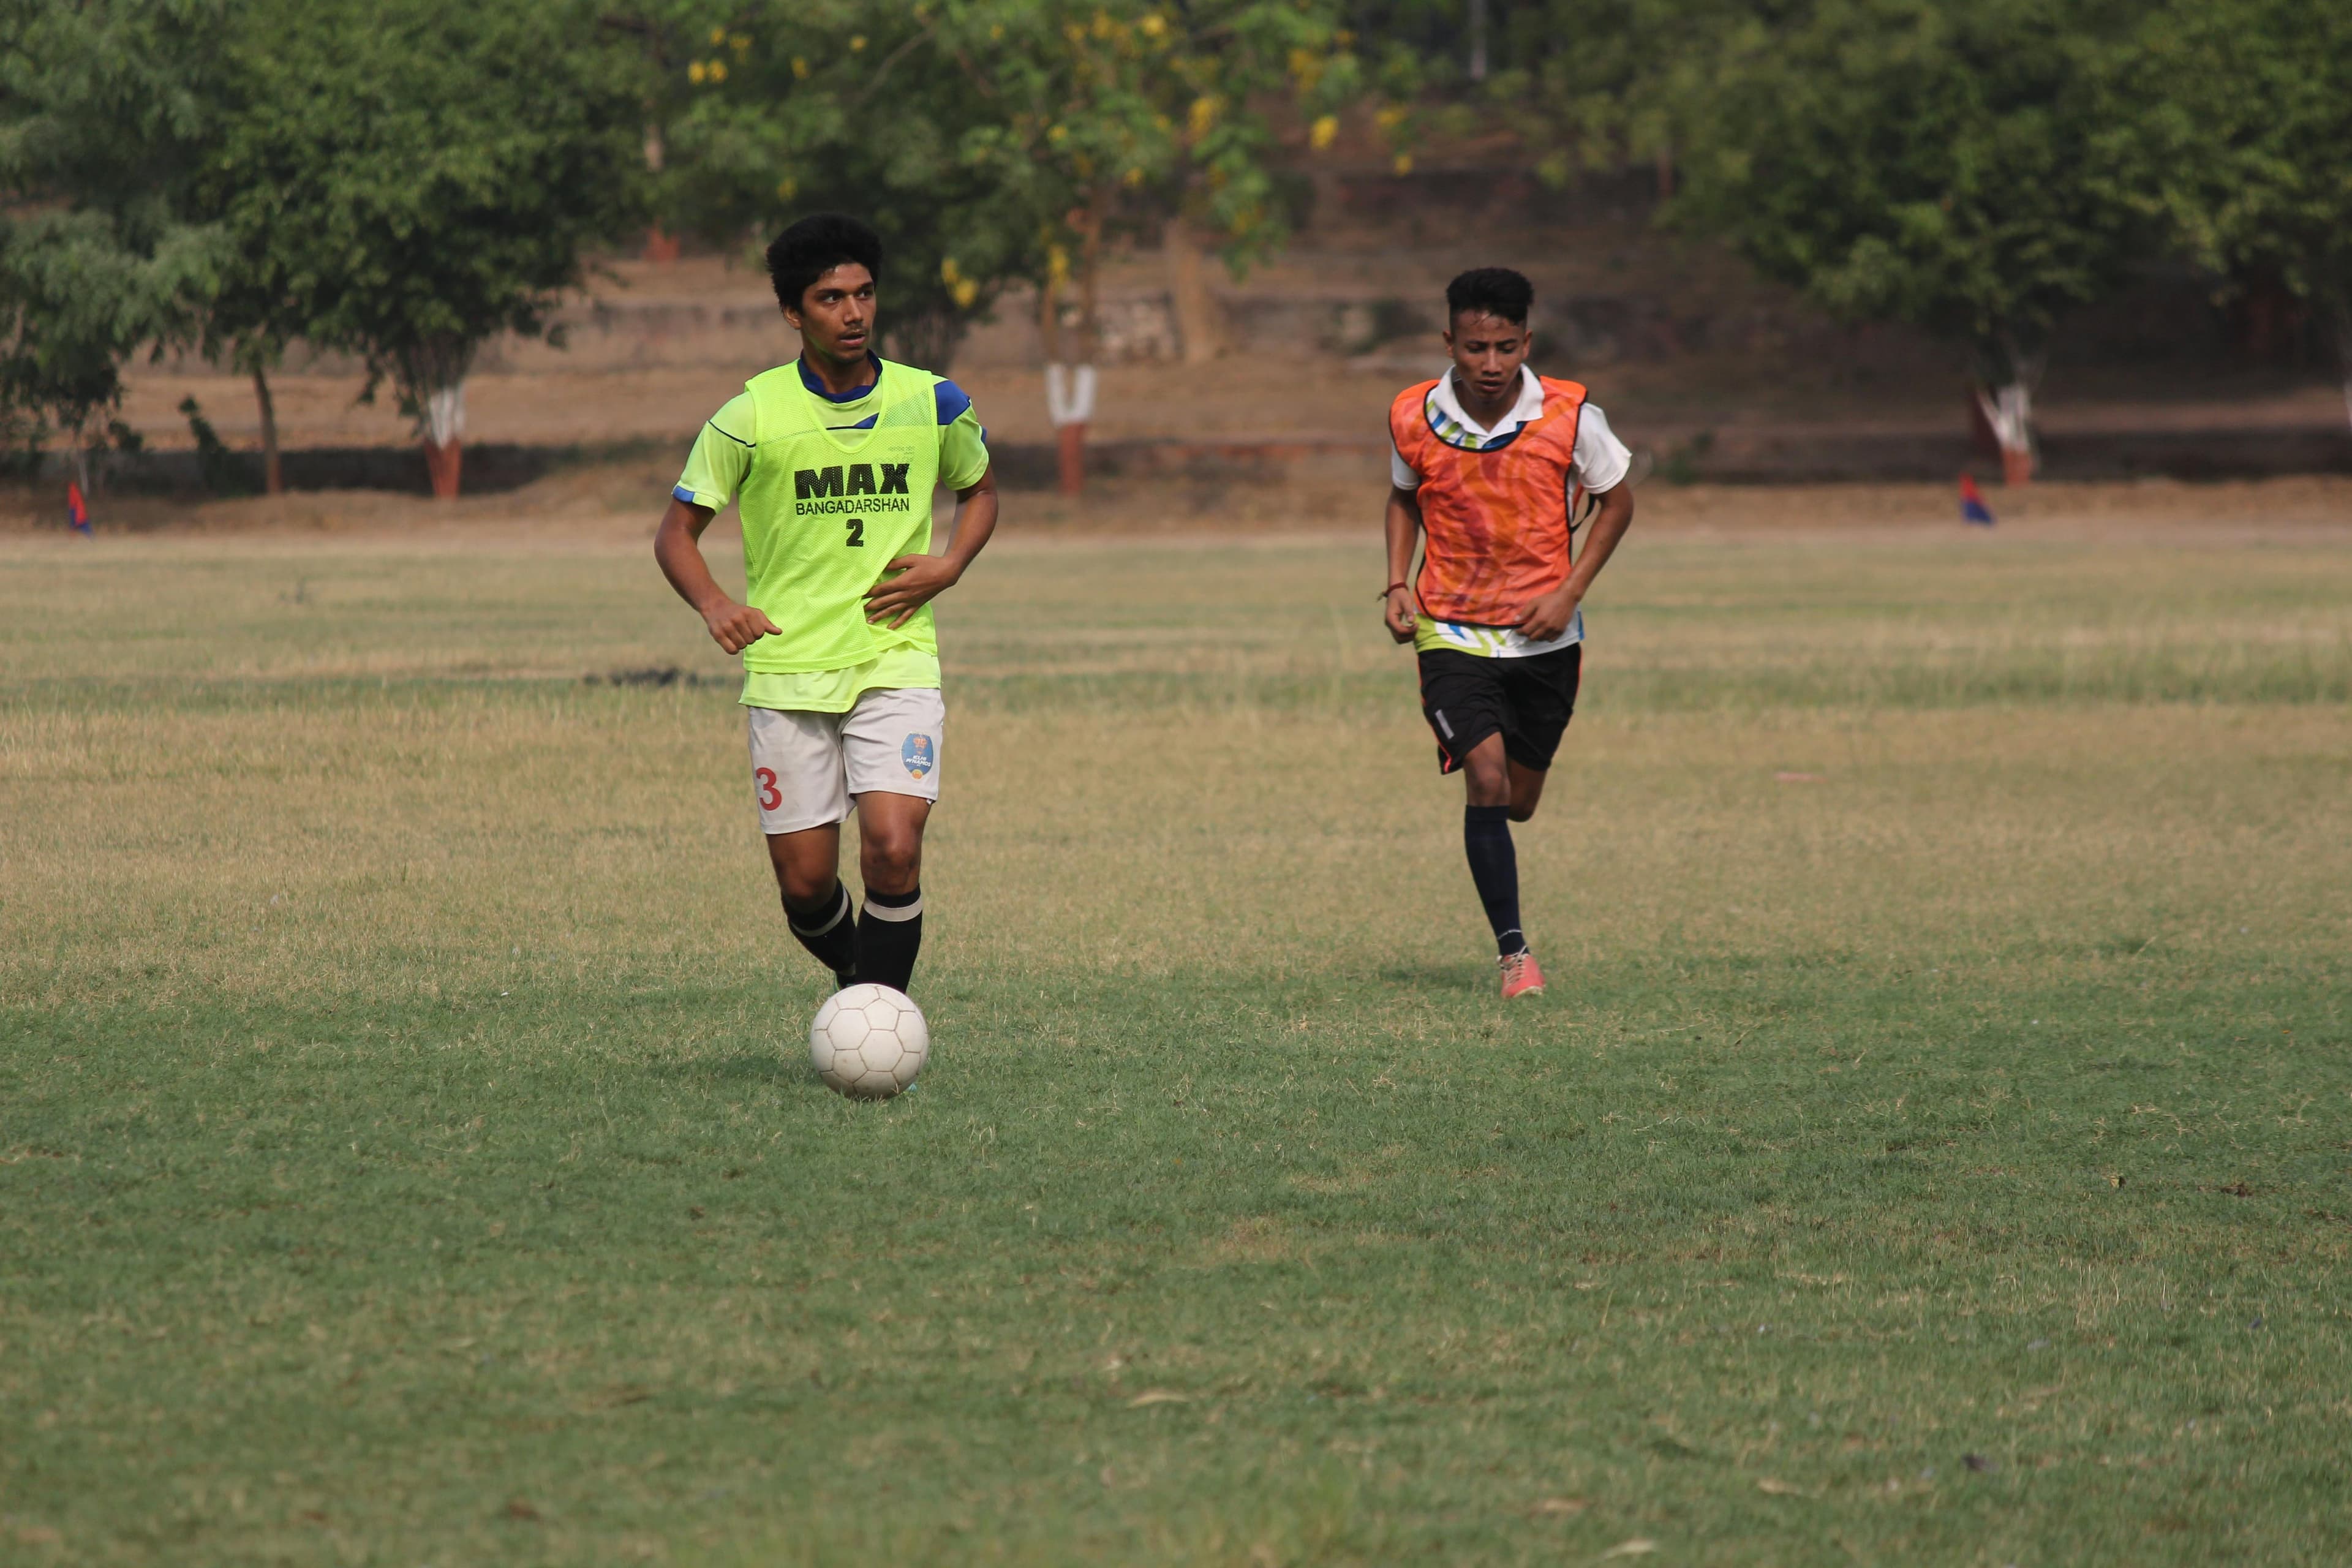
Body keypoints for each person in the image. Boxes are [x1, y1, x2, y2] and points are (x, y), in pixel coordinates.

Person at [654, 213, 998, 997]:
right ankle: (862, 990)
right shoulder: (751, 416)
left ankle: (879, 1019)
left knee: (893, 847)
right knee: (807, 886)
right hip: (787, 668)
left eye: (865, 294)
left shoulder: (935, 402)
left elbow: (979, 492)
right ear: (792, 312)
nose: (854, 313)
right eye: (830, 298)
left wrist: (949, 566)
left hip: (893, 655)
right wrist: (714, 606)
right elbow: (675, 535)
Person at [1382, 266, 1636, 1000]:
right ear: (1449, 343)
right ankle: (1515, 956)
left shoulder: (1570, 415)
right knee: (1484, 777)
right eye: (1473, 348)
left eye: (1504, 347)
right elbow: (1403, 499)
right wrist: (1399, 583)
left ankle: (1506, 874)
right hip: (1450, 629)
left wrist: (1569, 593)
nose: (1490, 365)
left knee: (1518, 800)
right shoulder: (1411, 414)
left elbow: (1617, 504)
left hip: (1544, 641)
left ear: (1526, 340)